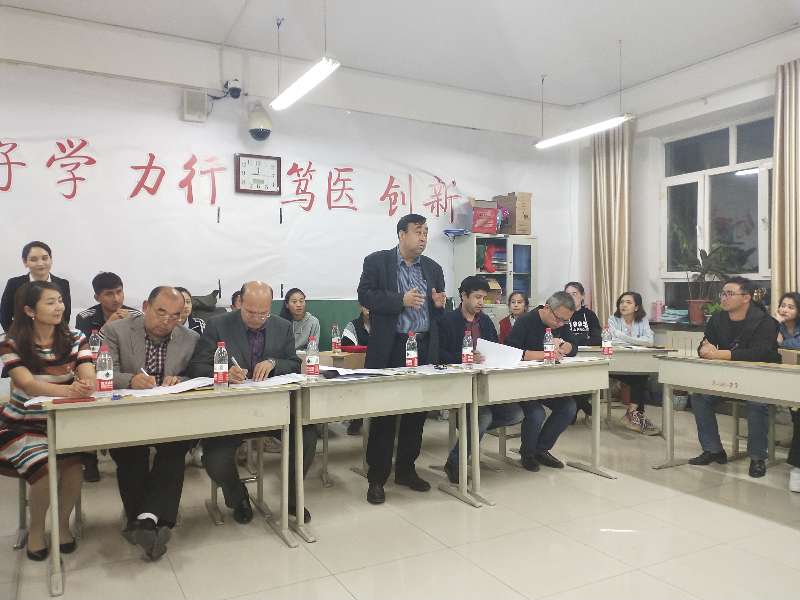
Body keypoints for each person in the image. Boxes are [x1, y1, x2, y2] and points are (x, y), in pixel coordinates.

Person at [187, 281, 317, 523]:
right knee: (215, 459)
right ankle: (238, 497)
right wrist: (223, 372)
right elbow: (196, 367)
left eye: (263, 313)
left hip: (273, 409)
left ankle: (293, 498)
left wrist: (273, 362)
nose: (257, 318)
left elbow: (293, 363)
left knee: (307, 435)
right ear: (240, 304)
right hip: (230, 412)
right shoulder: (218, 325)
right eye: (250, 312)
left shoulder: (282, 326)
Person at [100, 286, 198, 560]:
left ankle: (143, 522)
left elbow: (197, 373)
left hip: (171, 416)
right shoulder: (116, 331)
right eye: (160, 312)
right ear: (145, 307)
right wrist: (130, 380)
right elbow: (102, 371)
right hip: (126, 415)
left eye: (175, 316)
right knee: (131, 454)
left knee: (174, 451)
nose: (167, 321)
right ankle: (158, 521)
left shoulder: (190, 338)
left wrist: (181, 380)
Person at [357, 213, 447, 504]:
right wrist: (400, 300)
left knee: (416, 414)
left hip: (422, 348)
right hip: (390, 348)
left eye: (426, 232)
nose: (423, 237)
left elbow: (437, 313)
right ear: (401, 234)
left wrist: (439, 305)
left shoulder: (433, 268)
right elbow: (365, 296)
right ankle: (377, 479)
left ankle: (406, 470)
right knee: (385, 415)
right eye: (418, 231)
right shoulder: (377, 262)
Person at [0, 281, 93, 561]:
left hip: (61, 421)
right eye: (50, 302)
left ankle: (62, 525)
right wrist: (68, 391)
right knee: (44, 469)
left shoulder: (76, 337)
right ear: (30, 310)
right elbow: (27, 384)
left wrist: (86, 383)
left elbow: (87, 371)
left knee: (74, 467)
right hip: (21, 425)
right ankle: (37, 529)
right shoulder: (10, 343)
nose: (59, 307)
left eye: (60, 301)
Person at [689, 277, 780, 478]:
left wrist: (721, 354)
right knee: (699, 396)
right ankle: (713, 449)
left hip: (760, 380)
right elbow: (706, 344)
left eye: (729, 294)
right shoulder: (717, 319)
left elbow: (760, 353)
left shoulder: (765, 322)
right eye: (722, 293)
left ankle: (757, 457)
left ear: (746, 297)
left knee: (757, 403)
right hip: (728, 379)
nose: (724, 298)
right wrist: (704, 349)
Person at [440, 276, 523, 483]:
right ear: (463, 296)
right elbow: (438, 355)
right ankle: (455, 462)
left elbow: (494, 347)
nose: (481, 302)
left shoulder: (485, 321)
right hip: (459, 384)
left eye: (484, 298)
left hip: (485, 383)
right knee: (482, 417)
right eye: (477, 297)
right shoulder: (447, 321)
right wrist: (464, 357)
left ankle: (473, 430)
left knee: (516, 413)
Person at [75, 271, 142, 482]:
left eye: (119, 292)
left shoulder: (135, 314)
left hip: (123, 367)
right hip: (93, 369)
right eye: (109, 294)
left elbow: (138, 349)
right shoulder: (85, 317)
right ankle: (89, 457)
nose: (116, 298)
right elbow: (84, 350)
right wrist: (108, 327)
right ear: (97, 297)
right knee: (86, 400)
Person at [505, 291, 578, 471]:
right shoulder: (525, 321)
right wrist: (545, 354)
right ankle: (527, 453)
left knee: (568, 407)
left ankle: (541, 449)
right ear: (547, 308)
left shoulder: (561, 322)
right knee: (536, 413)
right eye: (558, 319)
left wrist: (564, 346)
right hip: (521, 382)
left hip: (546, 383)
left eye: (565, 321)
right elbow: (512, 352)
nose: (560, 324)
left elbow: (574, 346)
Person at [607, 291, 659, 435]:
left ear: (636, 307)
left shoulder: (642, 320)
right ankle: (634, 415)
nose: (623, 305)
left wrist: (621, 336)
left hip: (634, 364)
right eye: (621, 302)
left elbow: (650, 341)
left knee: (641, 375)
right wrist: (638, 341)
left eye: (628, 302)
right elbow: (611, 341)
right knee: (640, 378)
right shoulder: (613, 319)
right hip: (614, 364)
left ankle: (632, 414)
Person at [1, 241, 71, 333]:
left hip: (54, 337)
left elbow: (65, 316)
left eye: (45, 258)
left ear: (51, 259)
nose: (40, 263)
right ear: (25, 262)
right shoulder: (14, 284)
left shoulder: (62, 284)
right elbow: (4, 316)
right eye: (34, 259)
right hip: (21, 337)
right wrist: (15, 336)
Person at [564, 281, 601, 421]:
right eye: (568, 294)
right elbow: (560, 339)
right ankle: (582, 404)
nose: (571, 297)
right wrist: (582, 338)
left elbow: (597, 339)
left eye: (574, 294)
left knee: (589, 376)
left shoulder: (590, 315)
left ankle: (577, 404)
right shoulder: (562, 314)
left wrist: (574, 341)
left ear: (582, 296)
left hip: (588, 355)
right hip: (567, 356)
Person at [774, 291, 800, 491]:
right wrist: (776, 326)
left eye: (791, 307)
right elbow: (769, 343)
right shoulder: (777, 326)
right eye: (783, 305)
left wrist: (782, 342)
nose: (785, 310)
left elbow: (795, 345)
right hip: (785, 378)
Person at [341, 304, 371, 435]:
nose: (369, 309)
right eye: (366, 306)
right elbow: (345, 348)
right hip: (357, 369)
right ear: (360, 307)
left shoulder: (384, 325)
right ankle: (356, 419)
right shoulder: (353, 325)